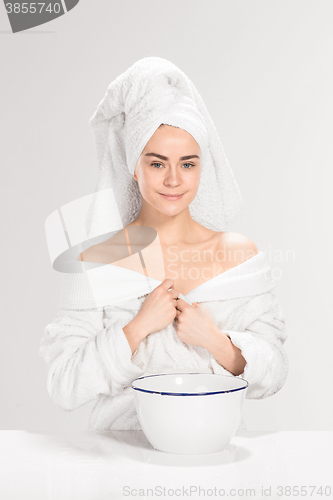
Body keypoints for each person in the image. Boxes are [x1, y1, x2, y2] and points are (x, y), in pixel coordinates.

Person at [40, 57, 288, 431]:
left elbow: (276, 370)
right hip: (119, 466)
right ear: (133, 166)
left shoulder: (235, 255)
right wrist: (136, 329)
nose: (174, 179)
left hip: (212, 462)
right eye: (157, 164)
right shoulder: (97, 261)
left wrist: (217, 341)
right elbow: (63, 386)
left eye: (188, 164)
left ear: (202, 167)